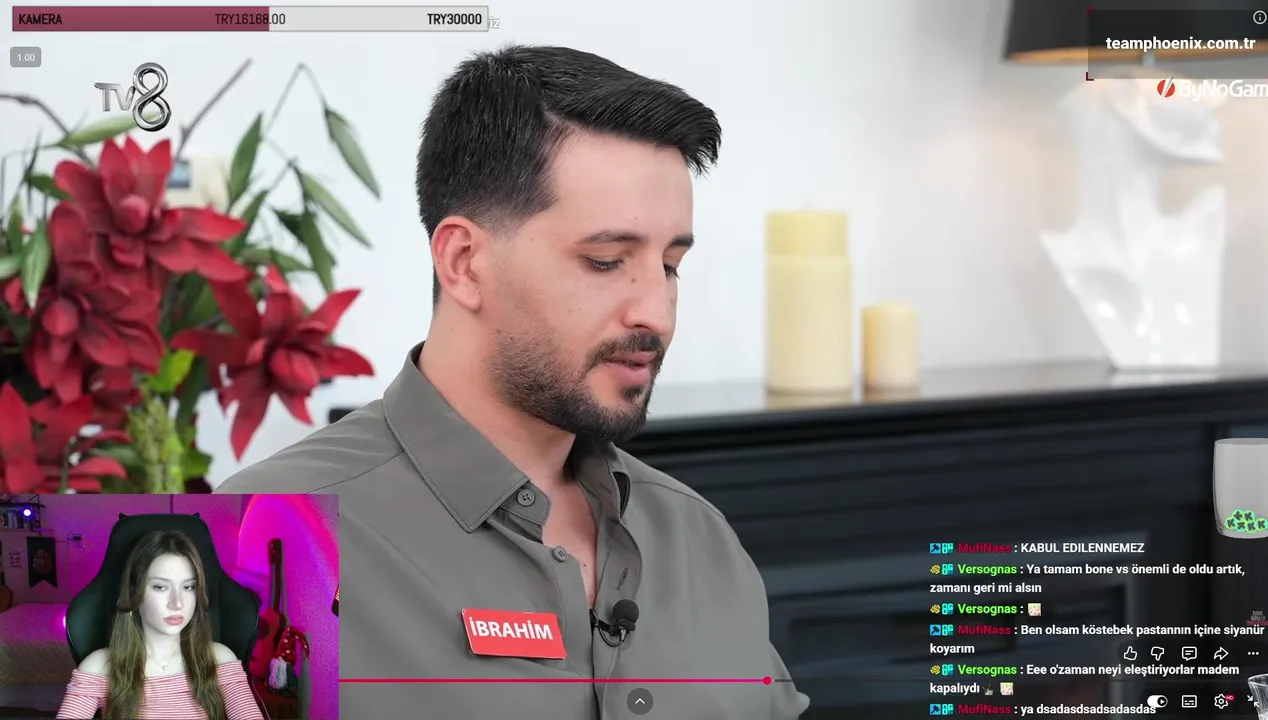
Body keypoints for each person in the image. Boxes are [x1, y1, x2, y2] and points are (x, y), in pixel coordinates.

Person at [215, 44, 810, 719]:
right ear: (464, 263)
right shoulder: (270, 534)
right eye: (606, 261)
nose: (657, 313)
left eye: (670, 266)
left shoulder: (702, 540)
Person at [56, 530, 264, 720]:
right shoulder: (99, 667)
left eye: (188, 587)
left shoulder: (219, 659)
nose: (177, 603)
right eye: (160, 587)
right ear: (134, 593)